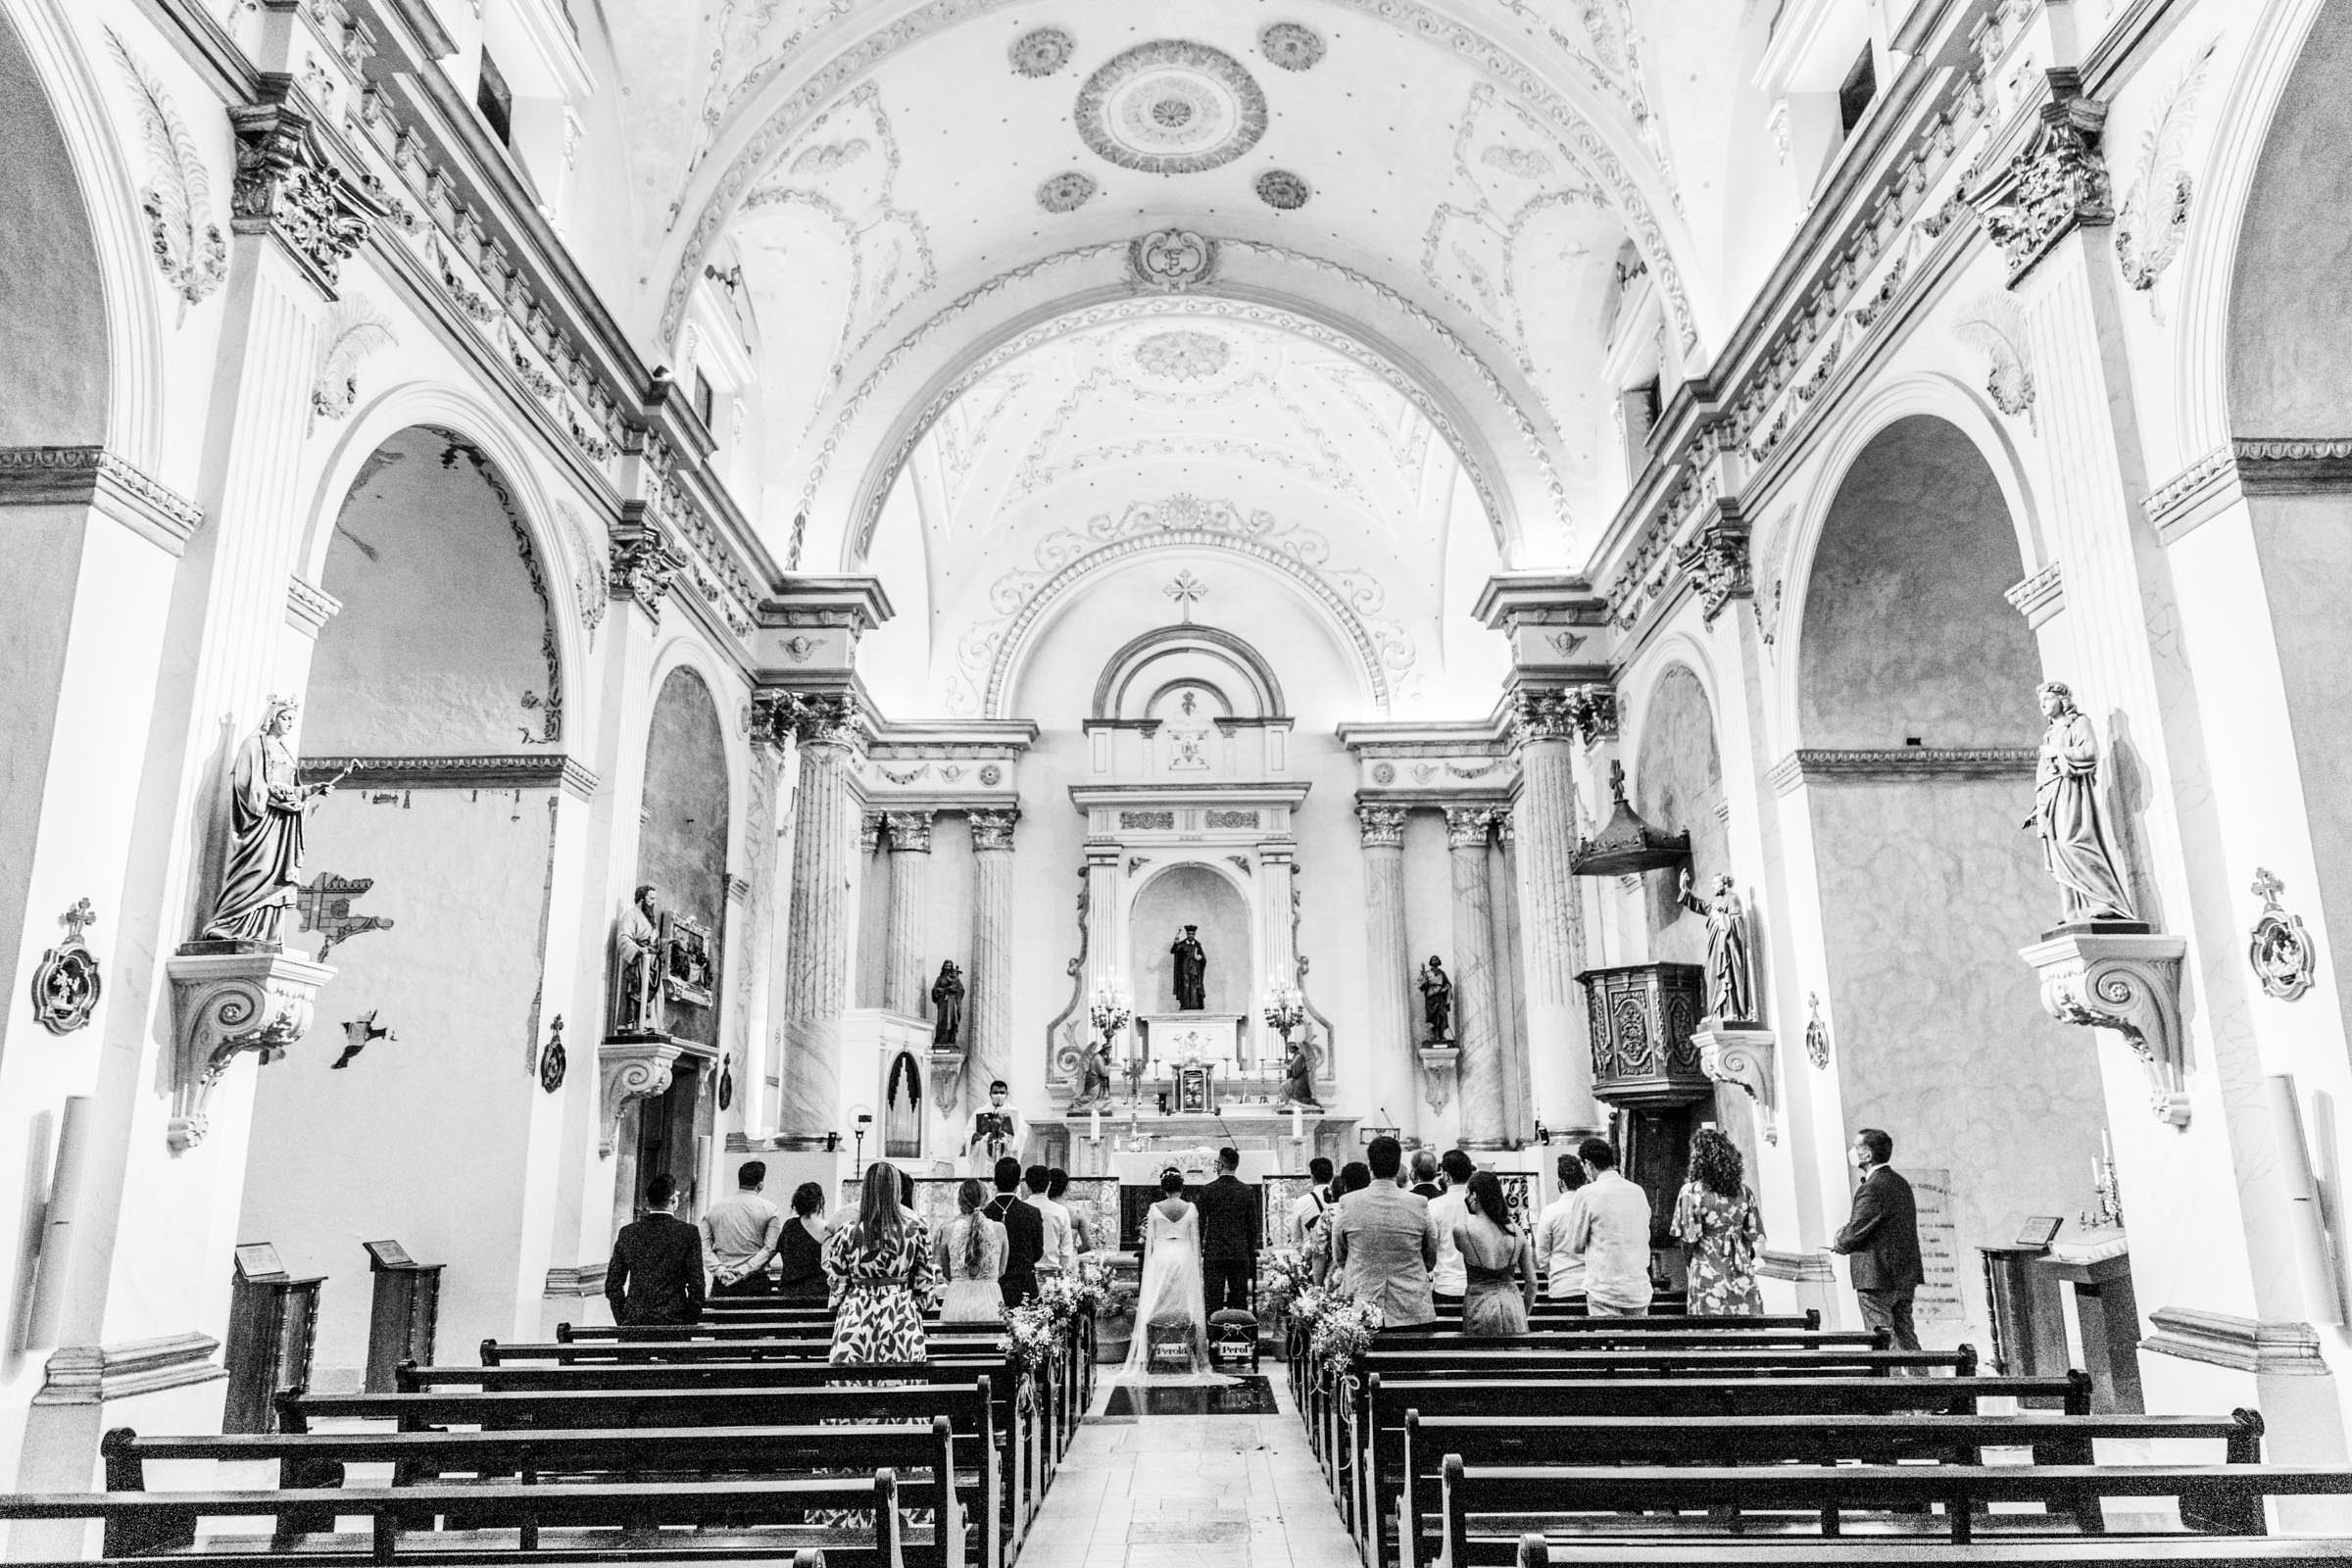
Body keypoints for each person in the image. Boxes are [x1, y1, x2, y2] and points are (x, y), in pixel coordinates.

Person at [203, 697, 338, 944]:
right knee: (259, 868)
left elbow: (292, 789)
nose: (289, 724)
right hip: (262, 820)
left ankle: (263, 932)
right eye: (285, 718)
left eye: (292, 720)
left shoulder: (285, 750)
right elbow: (245, 784)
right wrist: (276, 798)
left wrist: (312, 789)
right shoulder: (254, 745)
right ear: (272, 718)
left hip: (284, 822)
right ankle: (229, 924)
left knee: (276, 875)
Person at [823, 1160, 938, 1362]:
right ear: (897, 1190)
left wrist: (839, 1301)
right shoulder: (915, 1229)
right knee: (902, 1389)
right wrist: (921, 1303)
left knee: (852, 1390)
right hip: (901, 1318)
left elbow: (837, 1283)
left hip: (856, 1319)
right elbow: (924, 1282)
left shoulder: (847, 1232)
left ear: (865, 1189)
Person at [1831, 1127, 1924, 1351]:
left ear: (1868, 1155)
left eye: (1856, 1147)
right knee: (1906, 1336)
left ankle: (1892, 1385)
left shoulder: (1872, 1188)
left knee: (1882, 1340)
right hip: (1903, 1275)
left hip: (1876, 1277)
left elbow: (1856, 1229)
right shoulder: (1900, 1183)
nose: (1851, 1151)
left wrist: (1839, 1241)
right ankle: (1923, 1382)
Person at [1330, 1135, 1439, 1327]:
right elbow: (1430, 1255)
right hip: (1410, 1305)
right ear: (1398, 1168)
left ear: (1369, 1166)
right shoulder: (1418, 1203)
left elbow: (1340, 1254)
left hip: (1363, 1302)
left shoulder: (1349, 1203)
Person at [1123, 1169, 1210, 1380]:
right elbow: (1195, 1239)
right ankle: (1188, 1348)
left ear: (1163, 1188)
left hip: (1161, 1255)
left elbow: (1150, 1240)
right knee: (1186, 1299)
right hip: (1184, 1254)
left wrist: (1152, 1261)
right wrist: (1197, 1264)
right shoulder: (1191, 1208)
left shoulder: (1155, 1208)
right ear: (1182, 1187)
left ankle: (1152, 1348)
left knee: (1156, 1298)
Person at [1672, 1128, 1764, 1316]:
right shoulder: (1744, 1191)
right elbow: (1751, 1236)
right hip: (1741, 1267)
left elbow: (1688, 1240)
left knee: (1709, 1331)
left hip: (1707, 1266)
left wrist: (1692, 1263)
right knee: (1746, 1329)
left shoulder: (1692, 1192)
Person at [1566, 1137, 1653, 1315]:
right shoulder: (1637, 1191)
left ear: (1589, 1164)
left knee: (1608, 1340)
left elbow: (1575, 1244)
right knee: (1636, 1341)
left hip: (1604, 1288)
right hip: (1637, 1287)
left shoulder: (1587, 1194)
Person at [605, 1174, 704, 1327]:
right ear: (673, 1201)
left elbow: (613, 1284)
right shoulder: (688, 1233)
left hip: (635, 1318)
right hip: (675, 1318)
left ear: (647, 1201)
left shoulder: (628, 1232)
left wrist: (623, 1318)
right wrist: (690, 1321)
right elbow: (697, 1283)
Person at [1455, 1171, 1536, 1337]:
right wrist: (1523, 1312)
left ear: (1474, 1195)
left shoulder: (1462, 1231)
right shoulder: (1517, 1232)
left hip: (1479, 1305)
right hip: (1513, 1306)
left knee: (1483, 1358)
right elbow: (1532, 1282)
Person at [702, 1159, 784, 1296]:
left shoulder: (714, 1209)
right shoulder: (770, 1210)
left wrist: (720, 1271)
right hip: (755, 1283)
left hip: (723, 1283)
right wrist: (745, 1269)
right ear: (760, 1185)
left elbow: (704, 1248)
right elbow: (770, 1248)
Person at [1193, 1146, 1258, 1315]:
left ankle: (1213, 1336)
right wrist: (1250, 1253)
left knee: (1213, 1299)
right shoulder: (1247, 1191)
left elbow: (1200, 1224)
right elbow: (1252, 1226)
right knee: (1239, 1299)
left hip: (1215, 1252)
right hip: (1239, 1252)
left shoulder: (1208, 1190)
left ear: (1220, 1165)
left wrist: (1197, 1251)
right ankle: (1238, 1336)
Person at [938, 1178, 1007, 1324]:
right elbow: (1001, 1271)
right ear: (986, 1200)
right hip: (990, 1303)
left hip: (956, 1303)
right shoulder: (999, 1229)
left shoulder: (948, 1230)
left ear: (960, 1201)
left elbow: (946, 1273)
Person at [984, 1156, 1045, 1306]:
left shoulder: (985, 1213)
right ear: (1018, 1182)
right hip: (1024, 1284)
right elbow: (1037, 1252)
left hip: (994, 1286)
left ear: (994, 1181)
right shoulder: (1032, 1213)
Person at [1533, 1153, 1590, 1299]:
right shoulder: (1592, 1208)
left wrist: (1556, 1271)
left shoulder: (1550, 1212)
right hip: (1592, 1287)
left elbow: (1542, 1255)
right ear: (1584, 1180)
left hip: (1562, 1286)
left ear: (1561, 1183)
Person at [1427, 1149, 1476, 1305]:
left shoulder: (1434, 1205)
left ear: (1446, 1176)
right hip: (1475, 1286)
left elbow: (1430, 1246)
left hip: (1445, 1286)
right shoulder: (1479, 1204)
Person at [1307, 1161, 1368, 1286]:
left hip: (1340, 1278)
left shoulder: (1333, 1211)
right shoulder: (1375, 1207)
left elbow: (1318, 1252)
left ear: (1345, 1186)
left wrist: (1317, 1286)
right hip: (1370, 1276)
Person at [774, 1181, 830, 1299]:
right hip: (818, 1294)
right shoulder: (827, 1229)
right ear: (820, 1203)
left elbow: (777, 1250)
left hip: (789, 1293)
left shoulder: (789, 1226)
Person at [1026, 1162, 1075, 1282]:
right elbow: (1066, 1249)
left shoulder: (1021, 1209)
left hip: (1026, 1273)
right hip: (1052, 1274)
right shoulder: (1060, 1211)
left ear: (1027, 1186)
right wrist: (1063, 1274)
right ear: (1048, 1185)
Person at [966, 1080, 1025, 1169]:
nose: (998, 1095)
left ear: (1007, 1094)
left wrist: (1010, 1135)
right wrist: (973, 1139)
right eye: (995, 1092)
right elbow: (969, 1132)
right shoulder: (980, 1112)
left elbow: (1022, 1134)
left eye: (1002, 1093)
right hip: (984, 1155)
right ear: (990, 1094)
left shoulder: (1015, 1113)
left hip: (1005, 1153)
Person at [1291, 1156, 1336, 1245]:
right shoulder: (1342, 1199)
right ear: (1332, 1176)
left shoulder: (1300, 1202)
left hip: (1313, 1255)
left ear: (1312, 1177)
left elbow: (1296, 1238)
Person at [1047, 1168, 1092, 1255]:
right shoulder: (1076, 1213)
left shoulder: (1040, 1211)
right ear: (1066, 1187)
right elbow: (1087, 1245)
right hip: (1069, 1260)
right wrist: (1073, 1252)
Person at [1170, 926, 1207, 1010]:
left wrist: (1200, 958)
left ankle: (1195, 1005)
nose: (1191, 935)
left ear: (1194, 934)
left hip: (1194, 970)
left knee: (1195, 987)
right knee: (1185, 986)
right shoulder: (1182, 944)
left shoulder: (1197, 945)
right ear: (1187, 934)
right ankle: (1185, 1005)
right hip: (1184, 970)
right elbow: (1173, 951)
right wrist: (1175, 943)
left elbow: (1203, 959)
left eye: (1192, 934)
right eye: (1189, 934)